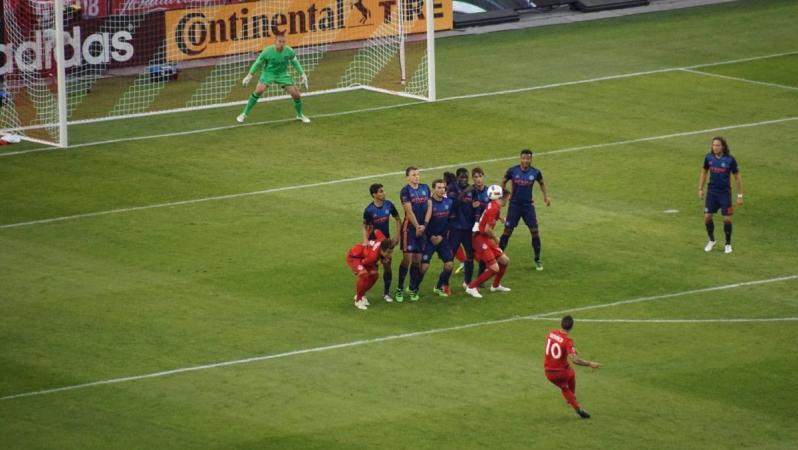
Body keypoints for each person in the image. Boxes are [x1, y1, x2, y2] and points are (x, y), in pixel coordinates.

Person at [237, 32, 310, 124]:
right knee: (259, 91)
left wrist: (303, 74)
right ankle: (244, 114)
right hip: (268, 73)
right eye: (279, 41)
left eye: (283, 42)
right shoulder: (267, 51)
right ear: (275, 42)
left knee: (296, 95)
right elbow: (257, 63)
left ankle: (299, 115)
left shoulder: (289, 51)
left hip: (282, 74)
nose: (281, 44)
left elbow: (295, 63)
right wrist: (249, 75)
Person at [500, 149, 550, 271]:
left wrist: (546, 197)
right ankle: (497, 257)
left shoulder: (535, 172)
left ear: (531, 159)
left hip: (528, 207)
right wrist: (503, 198)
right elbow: (503, 181)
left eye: (528, 158)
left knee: (535, 232)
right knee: (507, 232)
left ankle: (537, 259)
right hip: (514, 206)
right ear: (520, 158)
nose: (526, 160)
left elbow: (542, 183)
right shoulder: (513, 170)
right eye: (524, 158)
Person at [544, 315, 601, 419]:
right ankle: (577, 408)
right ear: (572, 327)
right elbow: (575, 360)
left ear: (560, 323)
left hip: (548, 371)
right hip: (559, 372)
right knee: (564, 386)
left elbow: (557, 344)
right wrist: (590, 364)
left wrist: (572, 349)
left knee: (571, 374)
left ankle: (571, 397)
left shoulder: (551, 333)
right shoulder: (567, 341)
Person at [698, 137, 743, 253]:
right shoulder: (708, 158)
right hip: (712, 193)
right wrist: (700, 189)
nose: (715, 147)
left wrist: (739, 195)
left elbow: (737, 177)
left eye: (718, 145)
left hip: (724, 194)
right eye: (713, 145)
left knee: (727, 219)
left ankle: (727, 244)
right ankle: (711, 240)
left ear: (723, 146)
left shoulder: (730, 160)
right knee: (707, 216)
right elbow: (704, 172)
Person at [464, 185, 511, 298]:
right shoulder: (494, 208)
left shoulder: (494, 205)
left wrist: (500, 219)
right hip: (479, 238)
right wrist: (495, 238)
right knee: (494, 268)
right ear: (502, 198)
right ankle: (471, 287)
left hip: (484, 238)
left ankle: (495, 286)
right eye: (508, 199)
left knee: (504, 260)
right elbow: (486, 229)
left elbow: (488, 216)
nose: (508, 201)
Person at [411, 179, 455, 297]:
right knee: (424, 267)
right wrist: (431, 236)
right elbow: (424, 222)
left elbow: (449, 222)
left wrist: (441, 236)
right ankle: (414, 288)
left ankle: (439, 286)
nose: (441, 190)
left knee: (449, 265)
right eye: (439, 187)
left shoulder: (449, 202)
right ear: (433, 189)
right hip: (428, 239)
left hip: (442, 239)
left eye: (443, 188)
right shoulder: (427, 204)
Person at [397, 167, 432, 302]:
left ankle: (412, 288)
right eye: (413, 175)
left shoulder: (425, 188)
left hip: (422, 228)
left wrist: (425, 225)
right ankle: (400, 288)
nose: (416, 177)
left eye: (418, 174)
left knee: (417, 260)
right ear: (408, 177)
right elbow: (409, 211)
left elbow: (429, 207)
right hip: (410, 229)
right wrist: (417, 226)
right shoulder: (405, 191)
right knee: (407, 258)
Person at [363, 183, 402, 302]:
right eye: (381, 191)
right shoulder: (369, 210)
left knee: (387, 267)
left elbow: (398, 219)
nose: (384, 193)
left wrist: (397, 235)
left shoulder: (389, 205)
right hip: (373, 244)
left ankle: (386, 293)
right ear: (374, 195)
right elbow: (365, 226)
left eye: (383, 191)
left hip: (386, 244)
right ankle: (361, 294)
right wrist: (365, 240)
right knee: (371, 270)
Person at [345, 231, 395, 310]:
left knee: (375, 275)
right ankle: (358, 300)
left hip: (363, 257)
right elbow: (363, 263)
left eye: (391, 252)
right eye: (388, 252)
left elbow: (377, 231)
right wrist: (378, 262)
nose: (389, 255)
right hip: (354, 257)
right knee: (364, 275)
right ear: (381, 250)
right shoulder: (373, 256)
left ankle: (361, 295)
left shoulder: (383, 240)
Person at [447, 168, 472, 277]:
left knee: (470, 254)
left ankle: (468, 282)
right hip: (455, 227)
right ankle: (444, 283)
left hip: (468, 227)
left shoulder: (471, 188)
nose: (464, 179)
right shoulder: (452, 188)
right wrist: (465, 192)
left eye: (466, 177)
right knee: (450, 256)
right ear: (457, 177)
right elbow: (453, 204)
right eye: (462, 177)